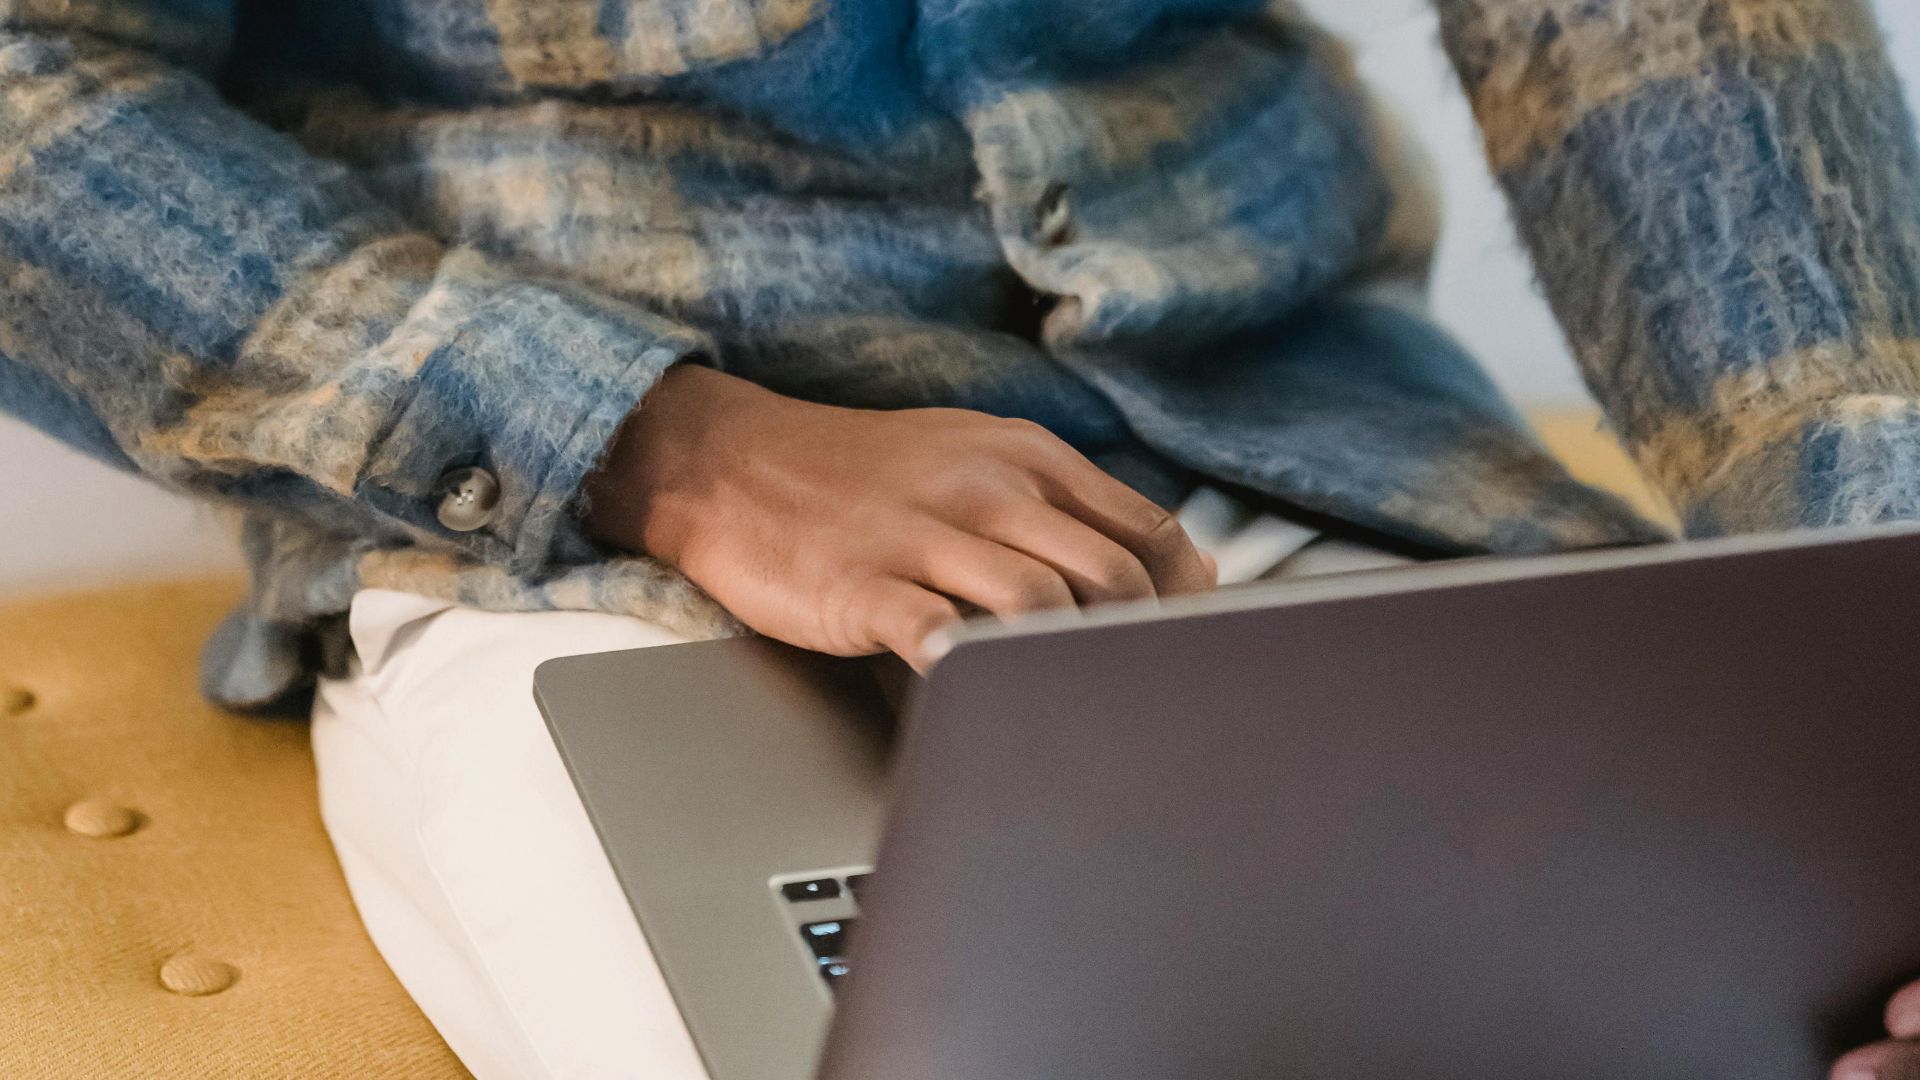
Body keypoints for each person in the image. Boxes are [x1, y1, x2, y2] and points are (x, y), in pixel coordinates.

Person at [0, 0, 1916, 1076]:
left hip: (1315, 434)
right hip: (591, 526)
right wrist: (658, 445)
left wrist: (1883, 642)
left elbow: (1661, 38)